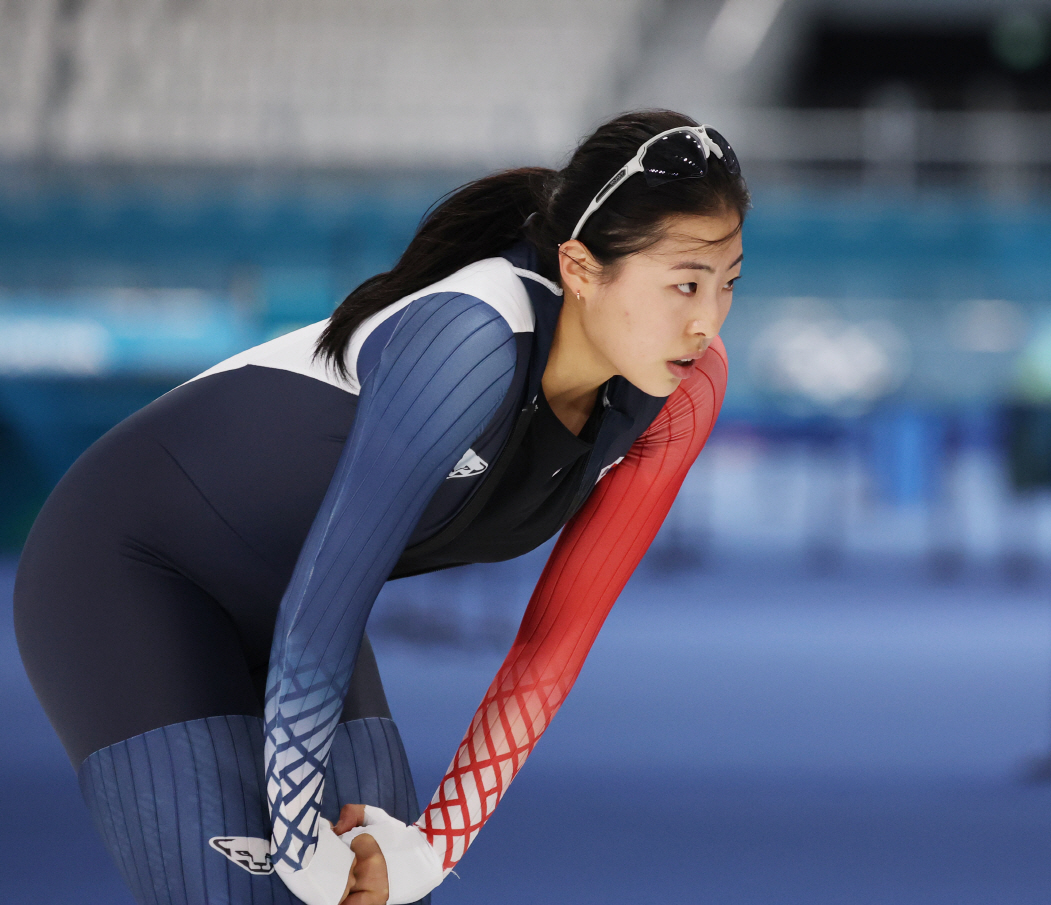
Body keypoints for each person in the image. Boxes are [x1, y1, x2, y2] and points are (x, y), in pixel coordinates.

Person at [14, 109, 748, 905]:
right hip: (130, 568)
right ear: (579, 267)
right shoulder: (472, 340)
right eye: (684, 282)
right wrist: (299, 844)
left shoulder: (684, 391)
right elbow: (327, 600)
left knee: (386, 894)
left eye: (727, 283)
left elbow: (550, 651)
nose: (706, 318)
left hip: (293, 603)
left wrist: (432, 849)